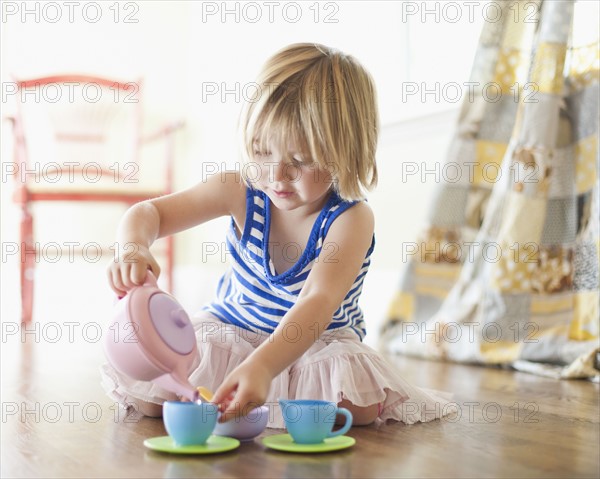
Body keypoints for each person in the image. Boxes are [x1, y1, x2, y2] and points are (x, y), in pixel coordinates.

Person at [103, 43, 454, 428]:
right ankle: (251, 388)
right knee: (153, 398)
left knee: (354, 409)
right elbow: (148, 213)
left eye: (299, 161)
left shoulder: (350, 219)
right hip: (234, 328)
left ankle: (263, 386)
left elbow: (317, 301)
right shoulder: (236, 189)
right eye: (260, 151)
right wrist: (132, 247)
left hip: (314, 343)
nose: (275, 174)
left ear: (346, 151)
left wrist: (265, 366)